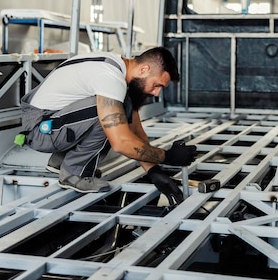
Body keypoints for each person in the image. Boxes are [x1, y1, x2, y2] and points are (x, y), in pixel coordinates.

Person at [19, 46, 196, 204]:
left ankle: (61, 161)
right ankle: (73, 173)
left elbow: (135, 129)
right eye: (156, 85)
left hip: (50, 123)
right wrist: (167, 156)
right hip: (40, 130)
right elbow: (121, 142)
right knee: (108, 118)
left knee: (118, 110)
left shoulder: (117, 69)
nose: (156, 92)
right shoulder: (110, 77)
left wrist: (154, 171)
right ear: (144, 69)